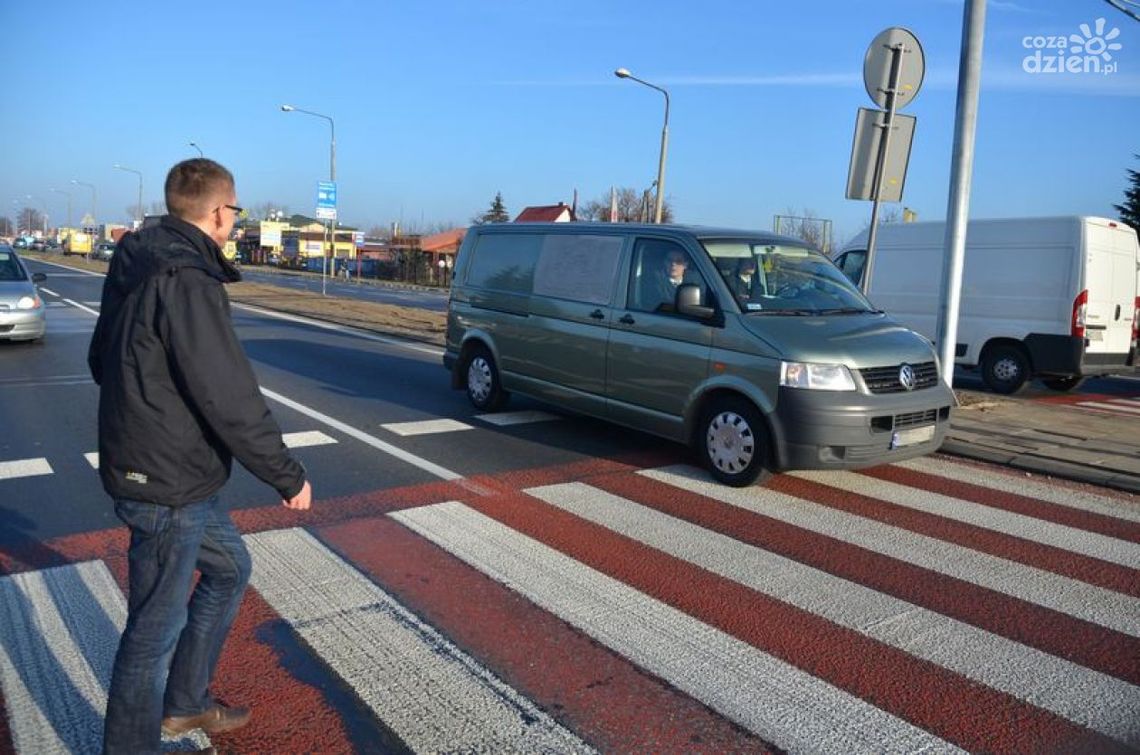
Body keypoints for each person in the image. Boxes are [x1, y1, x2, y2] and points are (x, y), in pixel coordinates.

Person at [89, 158, 313, 755]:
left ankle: (186, 705)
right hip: (166, 481)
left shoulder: (138, 258)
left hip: (177, 472)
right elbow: (227, 392)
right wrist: (285, 474)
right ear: (219, 212)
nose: (236, 221)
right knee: (152, 634)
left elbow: (99, 359)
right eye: (236, 210)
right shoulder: (188, 278)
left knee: (229, 568)